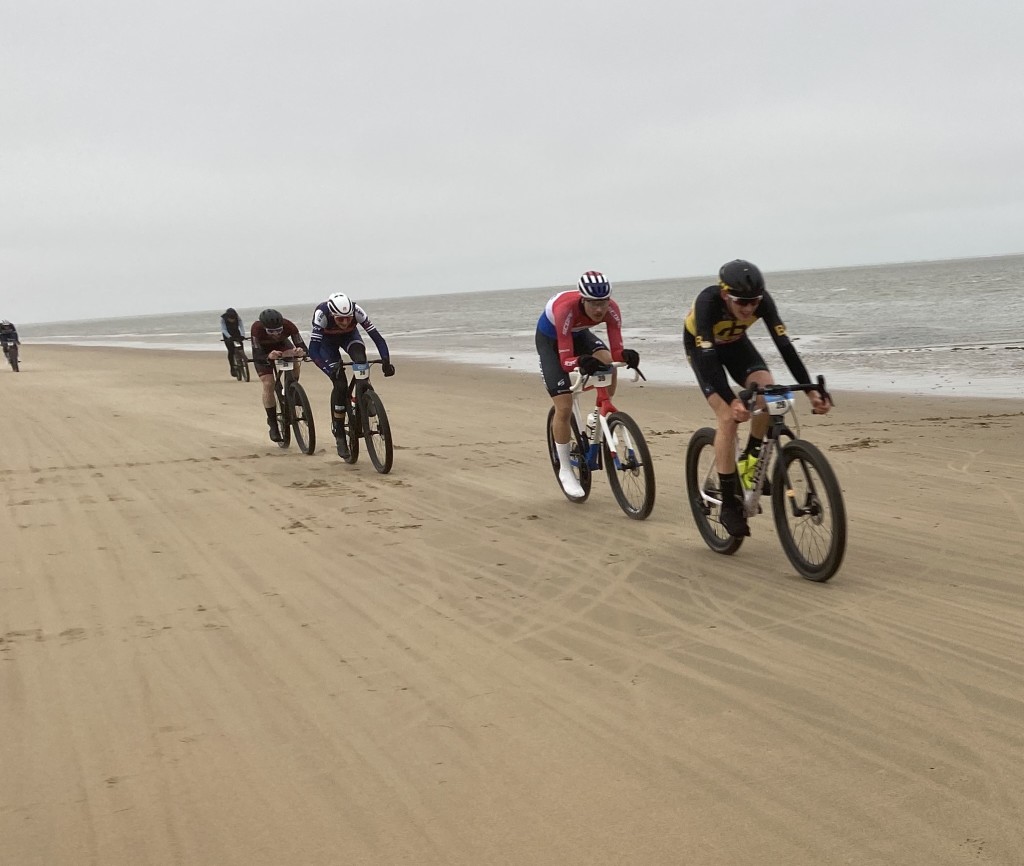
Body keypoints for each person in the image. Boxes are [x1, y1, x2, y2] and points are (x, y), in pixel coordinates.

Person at [684, 259, 831, 538]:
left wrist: (811, 389)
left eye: (754, 301)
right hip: (703, 350)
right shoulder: (708, 302)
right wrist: (732, 399)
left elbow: (785, 346)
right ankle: (728, 502)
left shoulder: (762, 303)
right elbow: (708, 356)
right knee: (728, 416)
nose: (749, 308)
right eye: (742, 302)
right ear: (726, 294)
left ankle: (750, 461)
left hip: (736, 345)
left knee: (769, 393)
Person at [535, 271, 641, 498]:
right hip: (551, 342)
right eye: (593, 303)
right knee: (563, 406)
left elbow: (616, 351)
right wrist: (581, 361)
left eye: (603, 302)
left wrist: (627, 356)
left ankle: (599, 411)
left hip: (580, 334)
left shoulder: (612, 310)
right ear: (583, 299)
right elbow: (566, 361)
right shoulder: (565, 309)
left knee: (607, 363)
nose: (599, 309)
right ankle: (565, 469)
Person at [309, 292, 395, 458]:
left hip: (350, 337)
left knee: (361, 359)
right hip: (327, 345)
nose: (345, 322)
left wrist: (386, 361)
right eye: (340, 319)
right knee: (340, 384)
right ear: (332, 314)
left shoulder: (357, 311)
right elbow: (313, 351)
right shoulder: (322, 314)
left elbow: (377, 338)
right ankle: (340, 431)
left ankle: (364, 395)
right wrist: (329, 370)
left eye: (348, 318)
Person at [250, 309, 308, 442]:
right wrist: (268, 356)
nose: (275, 334)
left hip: (282, 346)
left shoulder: (289, 325)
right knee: (268, 383)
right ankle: (273, 424)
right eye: (271, 331)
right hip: (263, 351)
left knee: (294, 359)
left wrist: (301, 351)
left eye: (279, 330)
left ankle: (291, 387)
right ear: (264, 328)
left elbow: (303, 347)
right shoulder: (256, 328)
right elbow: (257, 354)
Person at [219, 308, 246, 375]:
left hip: (236, 332)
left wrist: (242, 335)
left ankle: (242, 358)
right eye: (231, 319)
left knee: (240, 347)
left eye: (233, 318)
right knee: (231, 351)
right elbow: (223, 329)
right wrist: (229, 337)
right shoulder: (223, 319)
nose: (232, 320)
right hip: (227, 334)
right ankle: (232, 368)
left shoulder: (238, 317)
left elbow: (241, 327)